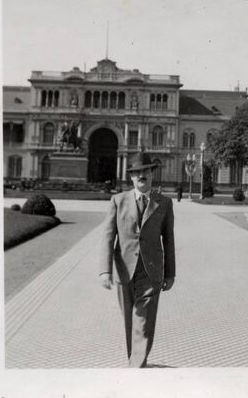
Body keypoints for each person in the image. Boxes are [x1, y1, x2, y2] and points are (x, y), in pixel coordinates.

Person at [99, 152, 176, 368]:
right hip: (124, 269)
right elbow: (107, 235)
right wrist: (104, 271)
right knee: (129, 320)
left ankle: (137, 367)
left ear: (152, 173)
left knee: (143, 321)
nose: (141, 175)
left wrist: (170, 274)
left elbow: (169, 240)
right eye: (137, 172)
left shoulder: (165, 203)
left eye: (145, 171)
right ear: (131, 177)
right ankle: (133, 360)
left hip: (151, 272)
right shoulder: (118, 200)